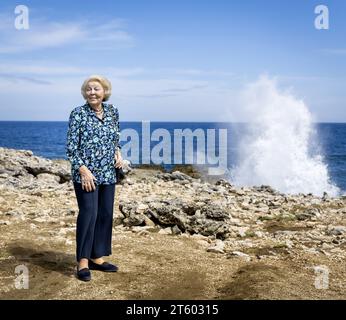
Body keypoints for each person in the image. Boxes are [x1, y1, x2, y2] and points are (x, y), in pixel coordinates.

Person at [66, 75, 123, 281]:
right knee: (89, 213)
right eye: (88, 89)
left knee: (105, 214)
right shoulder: (78, 114)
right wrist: (83, 170)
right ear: (84, 93)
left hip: (108, 171)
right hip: (86, 175)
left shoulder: (113, 112)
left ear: (104, 92)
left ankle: (97, 257)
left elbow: (115, 138)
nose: (92, 92)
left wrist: (118, 152)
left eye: (96, 89)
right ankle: (82, 261)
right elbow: (71, 147)